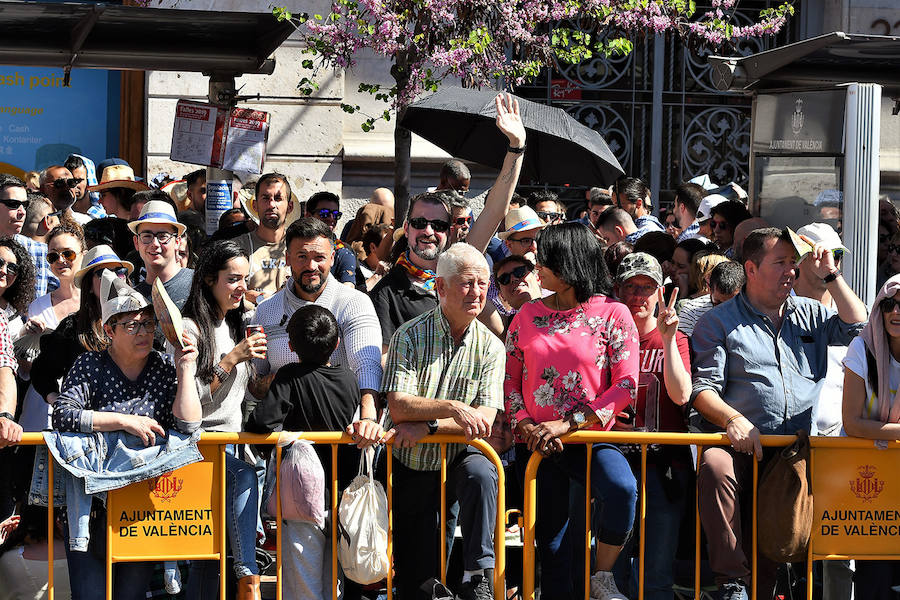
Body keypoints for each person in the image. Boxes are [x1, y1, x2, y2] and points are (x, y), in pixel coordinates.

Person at [691, 227, 867, 600]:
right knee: (714, 466)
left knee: (771, 558)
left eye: (793, 262)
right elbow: (703, 391)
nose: (791, 270)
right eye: (780, 262)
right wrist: (733, 420)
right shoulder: (718, 321)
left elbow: (858, 325)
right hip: (740, 444)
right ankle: (731, 582)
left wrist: (831, 274)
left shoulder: (811, 311)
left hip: (792, 452)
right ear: (751, 269)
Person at [504, 223, 638, 600]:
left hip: (592, 438)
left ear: (570, 262)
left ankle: (604, 575)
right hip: (539, 446)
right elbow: (510, 379)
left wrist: (569, 423)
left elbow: (625, 385)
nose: (536, 266)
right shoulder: (527, 315)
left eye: (545, 259)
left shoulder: (614, 313)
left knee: (623, 489)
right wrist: (526, 423)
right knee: (554, 545)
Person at [51, 271, 201, 600]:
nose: (144, 332)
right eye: (132, 325)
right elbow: (64, 414)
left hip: (141, 505)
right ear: (109, 330)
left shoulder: (163, 365)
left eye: (148, 323)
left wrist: (186, 369)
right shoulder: (89, 364)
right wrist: (124, 421)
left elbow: (188, 427)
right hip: (92, 506)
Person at [383, 242, 504, 600]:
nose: (477, 292)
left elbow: (483, 420)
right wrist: (451, 407)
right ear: (441, 287)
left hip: (458, 454)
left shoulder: (492, 346)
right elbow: (399, 406)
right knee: (417, 581)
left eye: (484, 284)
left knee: (482, 472)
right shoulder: (409, 334)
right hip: (413, 464)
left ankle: (477, 573)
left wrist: (430, 426)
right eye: (468, 283)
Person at [372, 93, 526, 352]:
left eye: (439, 225)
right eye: (420, 223)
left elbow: (496, 208)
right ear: (406, 228)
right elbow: (383, 363)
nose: (428, 231)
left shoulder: (459, 264)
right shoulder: (386, 293)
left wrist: (515, 147)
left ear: (450, 231)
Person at [247, 305, 365, 600]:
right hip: (343, 493)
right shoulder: (350, 379)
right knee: (334, 577)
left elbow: (260, 422)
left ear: (289, 346)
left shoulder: (289, 376)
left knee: (303, 580)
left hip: (301, 494)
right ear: (337, 343)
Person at [177, 240, 263, 600]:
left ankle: (243, 572)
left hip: (233, 444)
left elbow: (245, 395)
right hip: (198, 445)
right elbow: (192, 398)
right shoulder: (189, 328)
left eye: (244, 278)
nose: (241, 287)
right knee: (204, 554)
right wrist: (230, 360)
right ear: (209, 280)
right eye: (232, 279)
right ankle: (249, 575)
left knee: (208, 556)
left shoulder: (234, 324)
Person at [251, 218, 384, 446]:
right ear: (287, 258)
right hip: (286, 453)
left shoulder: (355, 303)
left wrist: (368, 419)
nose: (311, 266)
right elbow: (255, 379)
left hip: (346, 443)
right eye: (302, 257)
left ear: (332, 258)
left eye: (319, 257)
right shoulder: (265, 311)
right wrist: (276, 383)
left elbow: (367, 365)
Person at [611, 253, 691, 600]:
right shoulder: (607, 337)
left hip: (663, 466)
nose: (637, 296)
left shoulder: (676, 338)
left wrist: (669, 338)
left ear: (660, 291)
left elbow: (681, 394)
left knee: (656, 574)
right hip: (614, 464)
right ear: (617, 290)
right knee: (611, 575)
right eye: (630, 286)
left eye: (646, 287)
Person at [841, 275, 900, 600]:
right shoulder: (862, 347)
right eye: (889, 303)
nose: (896, 312)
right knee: (874, 578)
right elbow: (853, 422)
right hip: (868, 484)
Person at [17, 223, 85, 432]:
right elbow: (28, 369)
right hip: (42, 407)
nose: (61, 260)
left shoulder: (96, 301)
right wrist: (26, 337)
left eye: (68, 254)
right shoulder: (38, 305)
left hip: (86, 405)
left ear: (83, 254)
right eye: (53, 256)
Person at [234, 173, 293, 304]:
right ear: (255, 205)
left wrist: (259, 298)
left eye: (278, 198)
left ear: (290, 207)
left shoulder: (299, 246)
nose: (271, 204)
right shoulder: (238, 247)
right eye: (265, 198)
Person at [130, 200, 193, 309]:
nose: (154, 243)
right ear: (136, 242)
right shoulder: (133, 299)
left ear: (177, 242)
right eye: (147, 236)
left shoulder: (198, 284)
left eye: (163, 236)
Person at [678, 260, 743, 337]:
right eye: (717, 303)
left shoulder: (753, 312)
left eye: (730, 305)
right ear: (709, 289)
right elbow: (683, 346)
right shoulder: (691, 311)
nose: (724, 311)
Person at [305, 191, 358, 286]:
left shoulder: (344, 250)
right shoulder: (296, 245)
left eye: (336, 214)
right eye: (324, 213)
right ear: (308, 216)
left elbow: (350, 287)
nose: (331, 218)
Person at [64, 154, 106, 222]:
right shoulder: (59, 216)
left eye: (78, 181)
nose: (74, 185)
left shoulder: (104, 216)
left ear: (89, 181)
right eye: (70, 181)